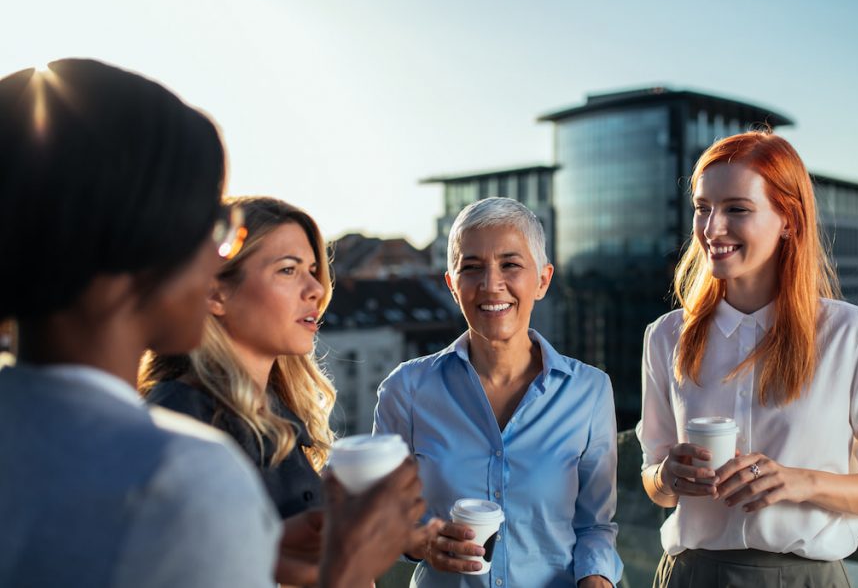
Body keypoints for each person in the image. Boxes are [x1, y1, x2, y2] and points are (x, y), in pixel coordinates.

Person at [0, 58, 433, 588]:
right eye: (214, 226)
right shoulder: (178, 474)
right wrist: (345, 572)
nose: (215, 257)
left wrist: (253, 553)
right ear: (139, 239)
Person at [636, 130, 858, 587]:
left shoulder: (852, 334)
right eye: (703, 207)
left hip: (806, 578)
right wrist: (667, 476)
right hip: (692, 575)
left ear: (788, 219)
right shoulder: (667, 336)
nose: (712, 229)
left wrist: (802, 482)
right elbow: (656, 486)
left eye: (737, 209)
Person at [373, 197, 623, 587]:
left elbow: (595, 525)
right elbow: (383, 519)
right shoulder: (405, 390)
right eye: (471, 268)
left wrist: (597, 578)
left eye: (510, 264)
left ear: (542, 280)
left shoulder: (589, 391)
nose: (491, 284)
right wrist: (423, 541)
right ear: (452, 285)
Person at [140, 196, 335, 521]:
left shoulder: (280, 416)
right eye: (288, 270)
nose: (315, 288)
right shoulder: (178, 420)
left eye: (313, 271)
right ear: (215, 294)